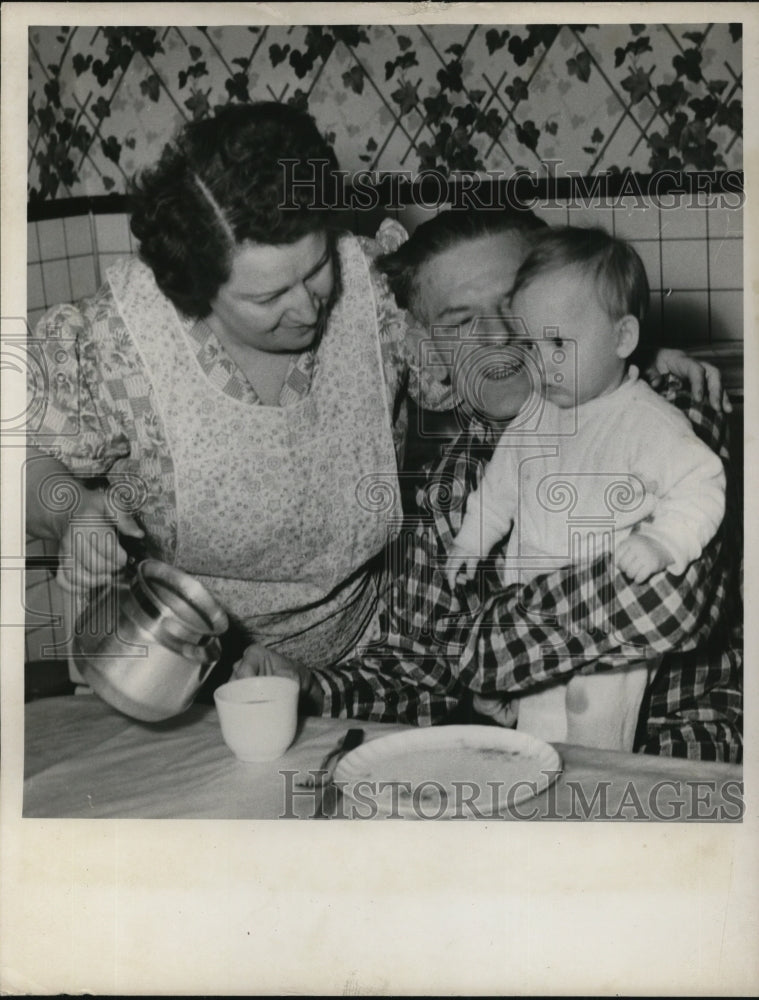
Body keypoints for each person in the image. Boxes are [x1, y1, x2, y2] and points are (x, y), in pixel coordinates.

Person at [235, 207, 742, 761]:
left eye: (511, 306)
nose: (500, 337)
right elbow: (417, 675)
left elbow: (665, 602)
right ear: (433, 350)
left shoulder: (677, 405)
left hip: (678, 753)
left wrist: (477, 651)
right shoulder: (450, 491)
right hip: (541, 762)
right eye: (459, 321)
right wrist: (310, 686)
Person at [25, 101, 453, 685]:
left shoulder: (376, 291)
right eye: (267, 298)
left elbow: (471, 397)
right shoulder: (119, 340)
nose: (307, 308)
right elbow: (27, 463)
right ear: (195, 293)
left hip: (363, 665)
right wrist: (75, 515)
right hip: (177, 675)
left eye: (317, 266)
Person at [444, 226, 726, 750]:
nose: (541, 361)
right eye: (531, 342)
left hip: (613, 610)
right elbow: (500, 487)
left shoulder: (650, 420)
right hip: (532, 607)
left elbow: (702, 483)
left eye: (557, 343)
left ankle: (598, 798)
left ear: (622, 338)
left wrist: (665, 543)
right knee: (540, 735)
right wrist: (471, 540)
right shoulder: (532, 417)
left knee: (596, 725)